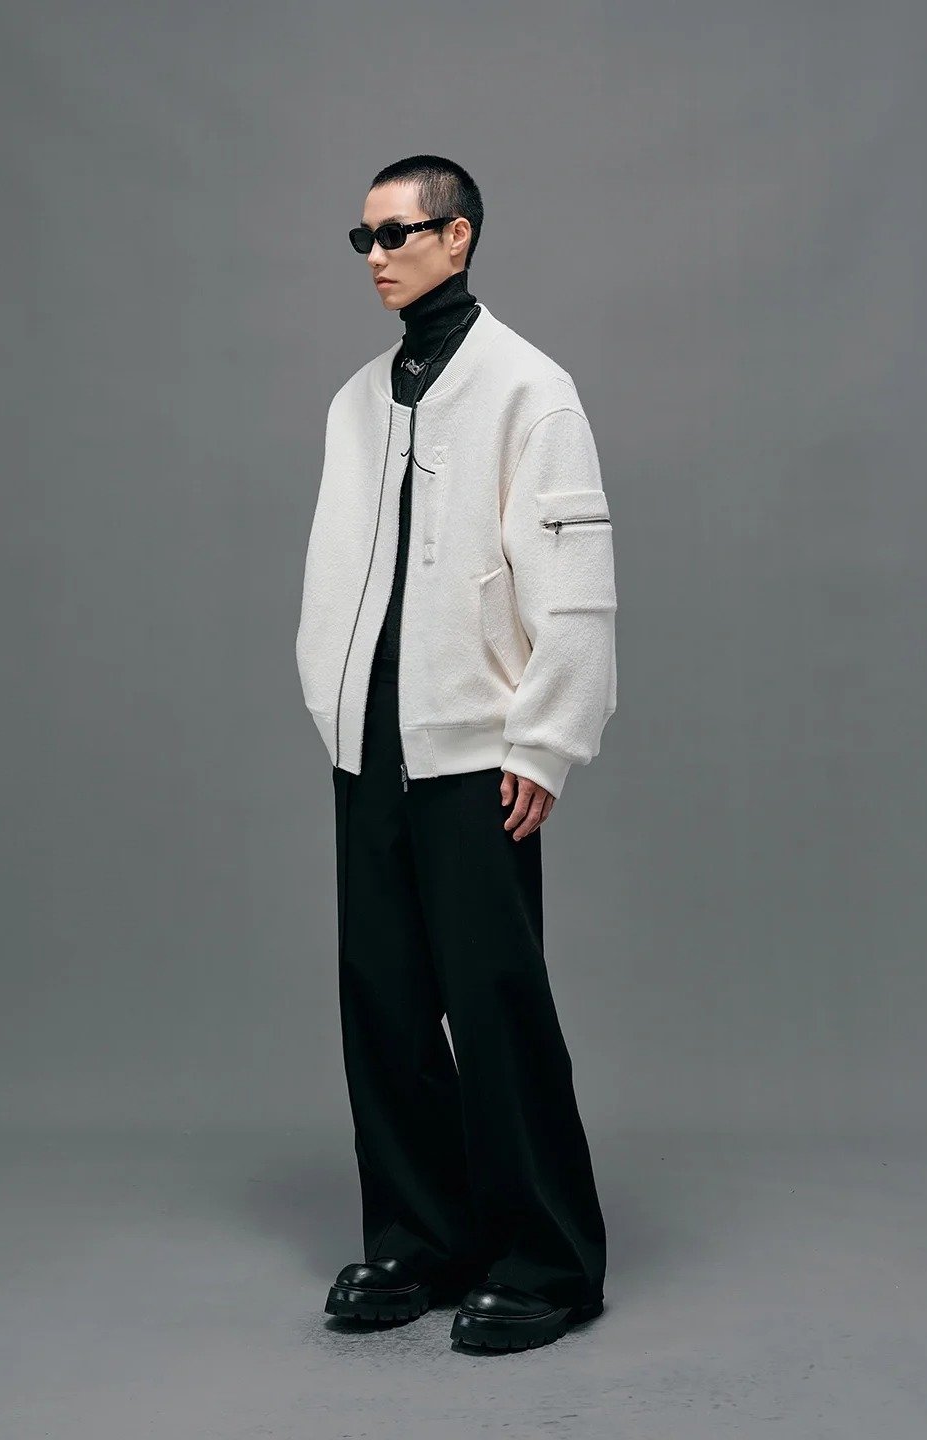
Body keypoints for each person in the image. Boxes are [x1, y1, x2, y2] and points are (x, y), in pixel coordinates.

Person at [294, 154, 617, 1351]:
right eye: (364, 238)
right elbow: (335, 569)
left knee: (493, 1001)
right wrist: (329, 698)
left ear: (458, 236)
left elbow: (576, 585)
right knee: (381, 1000)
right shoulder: (357, 401)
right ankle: (418, 1241)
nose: (377, 256)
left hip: (480, 750)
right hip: (366, 746)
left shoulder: (531, 388)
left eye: (397, 233)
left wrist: (547, 738)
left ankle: (550, 1262)